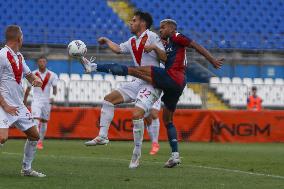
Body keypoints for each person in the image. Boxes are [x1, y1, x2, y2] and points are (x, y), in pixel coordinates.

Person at [80, 19, 223, 168]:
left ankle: (94, 67)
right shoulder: (168, 43)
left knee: (134, 70)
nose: (160, 30)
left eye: (163, 27)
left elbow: (195, 45)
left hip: (172, 76)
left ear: (171, 28)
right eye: (160, 28)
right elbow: (163, 53)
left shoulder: (176, 36)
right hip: (177, 85)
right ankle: (175, 155)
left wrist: (212, 60)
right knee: (168, 120)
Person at [83, 11, 166, 168]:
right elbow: (118, 49)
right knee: (108, 99)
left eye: (134, 20)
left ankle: (136, 153)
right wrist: (107, 40)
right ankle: (102, 136)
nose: (130, 23)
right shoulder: (132, 41)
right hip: (137, 81)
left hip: (152, 83)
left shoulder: (153, 37)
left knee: (136, 114)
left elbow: (165, 58)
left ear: (142, 23)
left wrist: (155, 47)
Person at [0, 25, 46, 177]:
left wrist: (35, 79)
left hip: (18, 105)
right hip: (3, 105)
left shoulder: (19, 56)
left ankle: (26, 170)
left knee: (34, 136)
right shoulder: (2, 55)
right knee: (2, 137)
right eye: (22, 35)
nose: (23, 38)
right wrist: (5, 105)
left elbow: (28, 74)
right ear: (19, 38)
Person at [24, 56, 58, 149]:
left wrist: (53, 97)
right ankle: (35, 140)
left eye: (43, 61)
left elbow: (55, 88)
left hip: (47, 101)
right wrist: (24, 101)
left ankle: (40, 141)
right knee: (35, 119)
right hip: (36, 100)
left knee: (44, 122)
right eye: (40, 61)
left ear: (46, 63)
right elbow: (28, 89)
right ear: (37, 63)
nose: (42, 63)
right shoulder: (33, 74)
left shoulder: (53, 75)